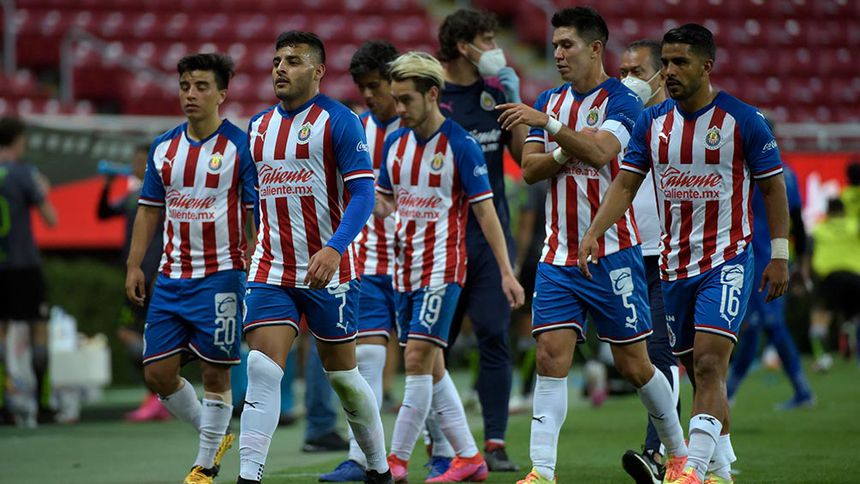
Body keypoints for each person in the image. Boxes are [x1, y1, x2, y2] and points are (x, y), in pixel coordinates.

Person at [581, 23, 790, 484]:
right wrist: (595, 231)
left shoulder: (743, 120)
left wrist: (780, 255)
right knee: (699, 372)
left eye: (681, 63)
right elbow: (625, 183)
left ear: (706, 66)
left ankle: (690, 470)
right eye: (667, 63)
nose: (670, 72)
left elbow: (773, 188)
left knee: (712, 364)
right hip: (673, 265)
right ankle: (721, 470)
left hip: (727, 260)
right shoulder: (652, 123)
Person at [496, 8, 688, 484]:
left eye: (568, 45)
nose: (558, 54)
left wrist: (550, 128)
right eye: (555, 46)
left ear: (596, 48)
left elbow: (603, 152)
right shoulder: (551, 99)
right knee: (549, 356)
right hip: (558, 254)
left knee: (635, 365)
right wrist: (564, 143)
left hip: (614, 252)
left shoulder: (623, 101)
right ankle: (542, 471)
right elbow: (531, 168)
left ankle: (679, 453)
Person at [237, 31, 391, 484]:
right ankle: (248, 476)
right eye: (277, 60)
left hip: (331, 270)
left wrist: (334, 247)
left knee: (344, 378)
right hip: (272, 268)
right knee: (262, 368)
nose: (280, 68)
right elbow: (255, 197)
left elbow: (363, 195)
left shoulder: (340, 121)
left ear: (318, 70)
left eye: (293, 61)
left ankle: (378, 468)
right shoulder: (258, 127)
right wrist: (252, 240)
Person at [375, 51, 525, 483]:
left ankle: (395, 461)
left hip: (444, 267)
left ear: (432, 94)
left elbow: (486, 212)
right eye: (395, 99)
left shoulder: (461, 144)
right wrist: (364, 199)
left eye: (406, 99)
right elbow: (386, 200)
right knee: (433, 366)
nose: (399, 108)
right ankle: (469, 457)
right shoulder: (395, 143)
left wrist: (506, 271)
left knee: (417, 359)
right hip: (404, 270)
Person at [126, 53, 257, 484]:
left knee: (215, 371)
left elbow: (255, 214)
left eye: (201, 86)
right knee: (157, 373)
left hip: (221, 277)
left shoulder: (240, 146)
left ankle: (205, 466)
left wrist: (256, 266)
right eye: (185, 86)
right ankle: (213, 435)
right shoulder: (164, 147)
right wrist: (134, 264)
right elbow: (149, 209)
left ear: (221, 94)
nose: (191, 94)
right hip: (170, 278)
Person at [436, 9, 529, 471]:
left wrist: (515, 103)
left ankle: (495, 441)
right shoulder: (431, 96)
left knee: (494, 334)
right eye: (487, 40)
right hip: (441, 240)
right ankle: (442, 445)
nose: (495, 49)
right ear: (462, 46)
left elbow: (524, 160)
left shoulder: (495, 93)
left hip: (491, 240)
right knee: (435, 342)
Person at [320, 39, 402, 482]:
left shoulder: (423, 128)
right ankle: (361, 458)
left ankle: (451, 451)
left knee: (428, 366)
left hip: (421, 263)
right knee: (366, 358)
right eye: (363, 87)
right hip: (367, 259)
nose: (369, 95)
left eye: (376, 85)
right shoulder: (354, 129)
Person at [617, 39, 683, 484]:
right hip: (625, 254)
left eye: (637, 72)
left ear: (661, 74)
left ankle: (658, 454)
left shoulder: (678, 123)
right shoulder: (618, 123)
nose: (627, 80)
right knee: (636, 361)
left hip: (669, 256)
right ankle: (702, 455)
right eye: (622, 71)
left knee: (661, 355)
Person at [727, 163, 815, 410]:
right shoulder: (787, 173)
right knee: (755, 327)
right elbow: (798, 222)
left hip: (755, 258)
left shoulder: (745, 168)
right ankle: (728, 392)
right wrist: (801, 264)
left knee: (769, 323)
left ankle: (803, 391)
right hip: (775, 258)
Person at [98, 143, 171, 422]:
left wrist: (157, 271)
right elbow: (104, 213)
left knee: (144, 334)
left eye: (142, 161)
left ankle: (161, 391)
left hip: (150, 275)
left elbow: (166, 237)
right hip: (135, 274)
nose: (136, 165)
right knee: (130, 333)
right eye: (135, 160)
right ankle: (159, 391)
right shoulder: (132, 197)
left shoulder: (162, 197)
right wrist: (107, 186)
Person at [0, 116, 58, 426]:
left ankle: (2, 408)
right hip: (24, 264)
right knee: (39, 329)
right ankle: (44, 405)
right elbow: (51, 219)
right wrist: (42, 191)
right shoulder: (24, 173)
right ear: (18, 139)